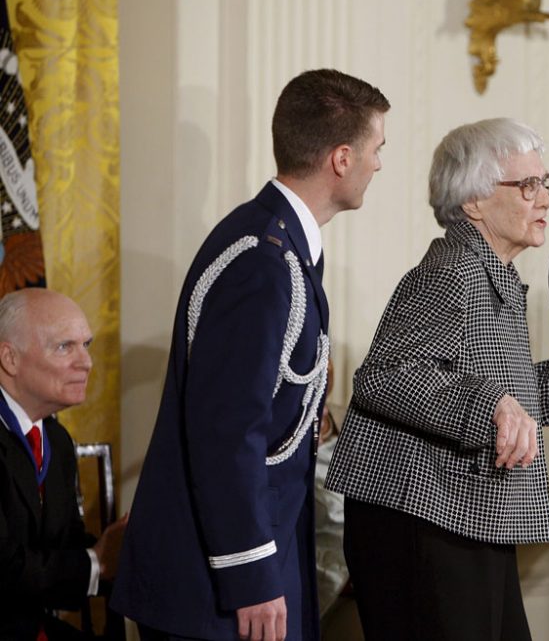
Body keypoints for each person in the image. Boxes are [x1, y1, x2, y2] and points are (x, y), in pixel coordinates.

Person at [326, 117, 549, 641]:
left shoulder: (490, 272)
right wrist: (490, 405)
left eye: (545, 182)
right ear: (473, 202)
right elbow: (384, 377)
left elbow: (506, 395)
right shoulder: (453, 271)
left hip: (463, 516)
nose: (543, 198)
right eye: (526, 186)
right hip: (418, 520)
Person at [111, 69, 389, 641]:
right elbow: (227, 432)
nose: (379, 164)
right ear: (341, 158)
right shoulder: (262, 261)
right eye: (376, 148)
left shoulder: (276, 242)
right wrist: (254, 576)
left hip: (249, 561)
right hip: (215, 588)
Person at [0, 288, 128, 640]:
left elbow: (64, 545)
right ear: (10, 359)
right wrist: (99, 563)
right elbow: (6, 569)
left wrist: (128, 549)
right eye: (64, 347)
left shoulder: (55, 439)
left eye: (85, 345)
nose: (86, 362)